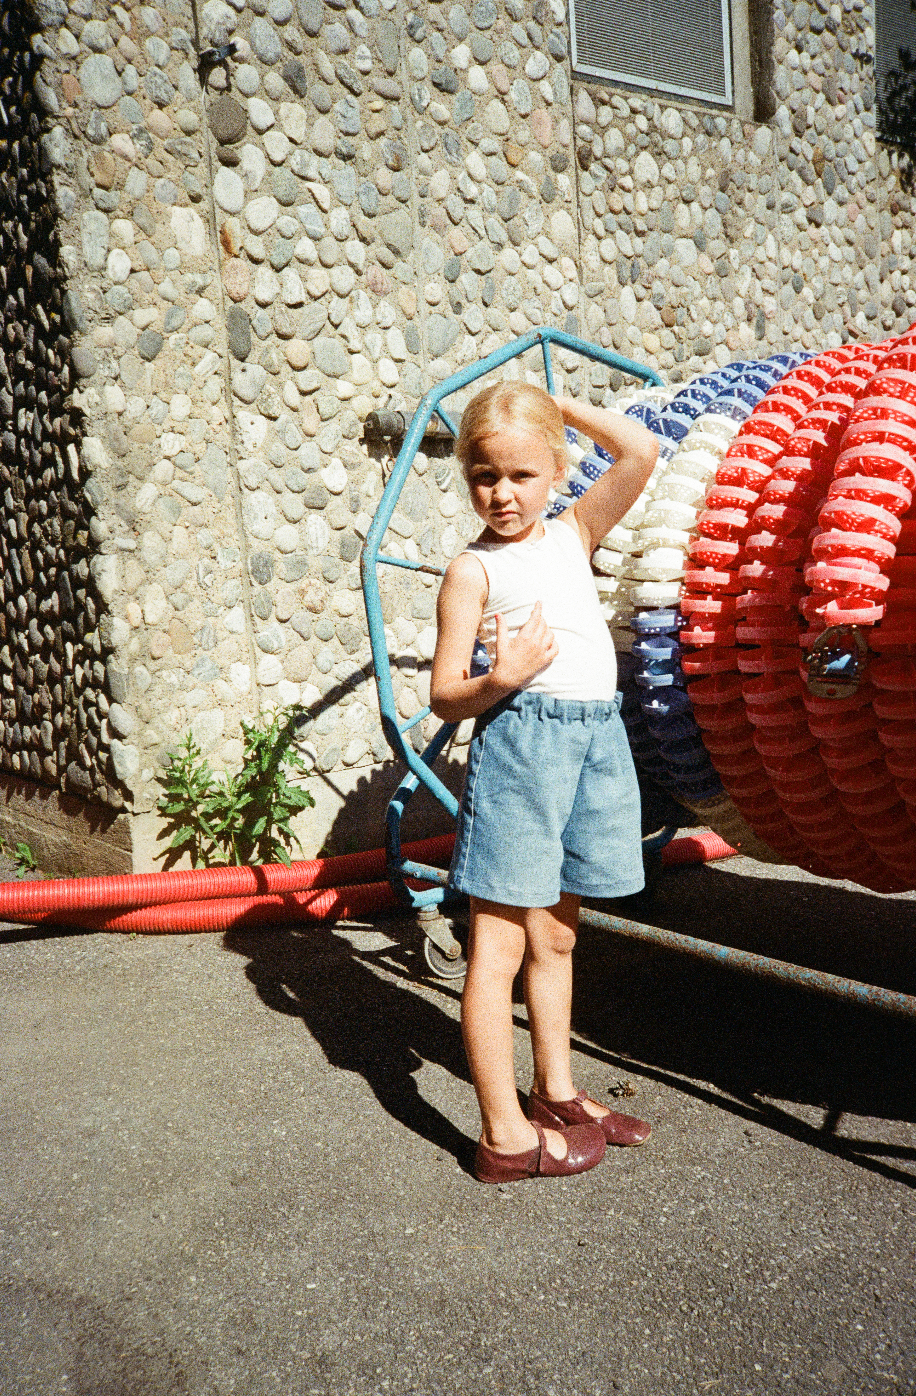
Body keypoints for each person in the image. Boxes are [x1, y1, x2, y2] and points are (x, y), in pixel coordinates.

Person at [429, 380, 659, 1184]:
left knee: (557, 932)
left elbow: (639, 452)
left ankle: (555, 1090)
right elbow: (444, 693)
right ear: (467, 478)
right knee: (495, 945)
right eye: (485, 476)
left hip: (595, 742)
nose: (502, 493)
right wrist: (507, 676)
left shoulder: (572, 534)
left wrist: (559, 409)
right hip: (524, 748)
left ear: (557, 472)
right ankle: (504, 1136)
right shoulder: (471, 571)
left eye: (523, 475)